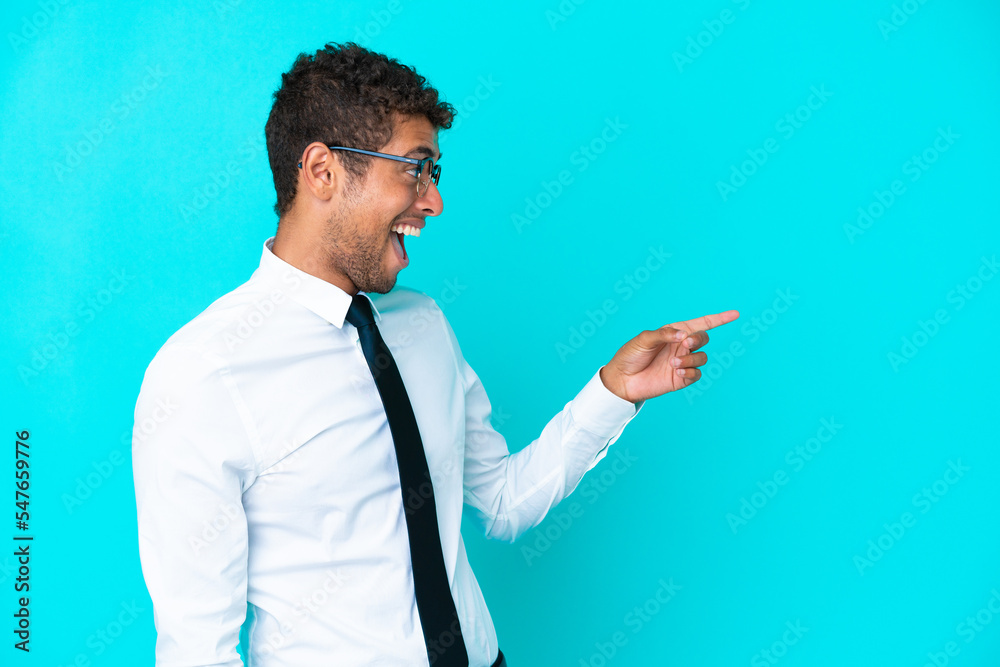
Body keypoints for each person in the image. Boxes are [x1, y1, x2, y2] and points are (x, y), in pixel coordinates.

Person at [131, 41, 739, 667]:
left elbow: (502, 502)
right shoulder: (203, 374)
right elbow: (195, 652)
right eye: (414, 168)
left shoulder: (422, 324)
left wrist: (614, 391)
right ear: (322, 172)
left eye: (434, 172)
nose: (433, 200)